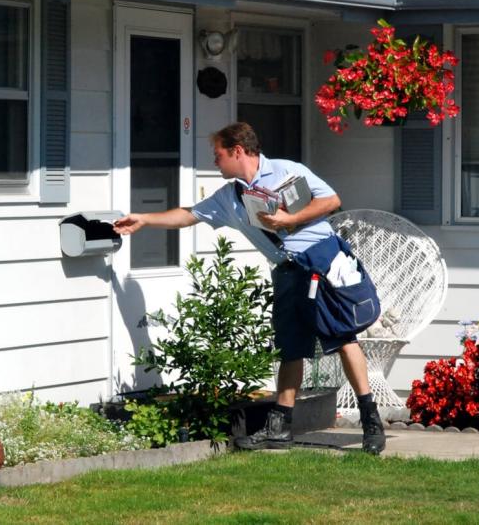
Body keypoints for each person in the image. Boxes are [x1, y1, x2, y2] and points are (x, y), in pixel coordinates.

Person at [112, 122, 386, 454]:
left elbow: (331, 200)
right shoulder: (229, 197)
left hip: (320, 260)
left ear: (237, 151)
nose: (215, 163)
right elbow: (188, 215)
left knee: (342, 336)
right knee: (290, 347)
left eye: (219, 156)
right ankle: (280, 427)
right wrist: (144, 219)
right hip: (286, 270)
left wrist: (288, 220)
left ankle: (370, 419)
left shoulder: (287, 170)